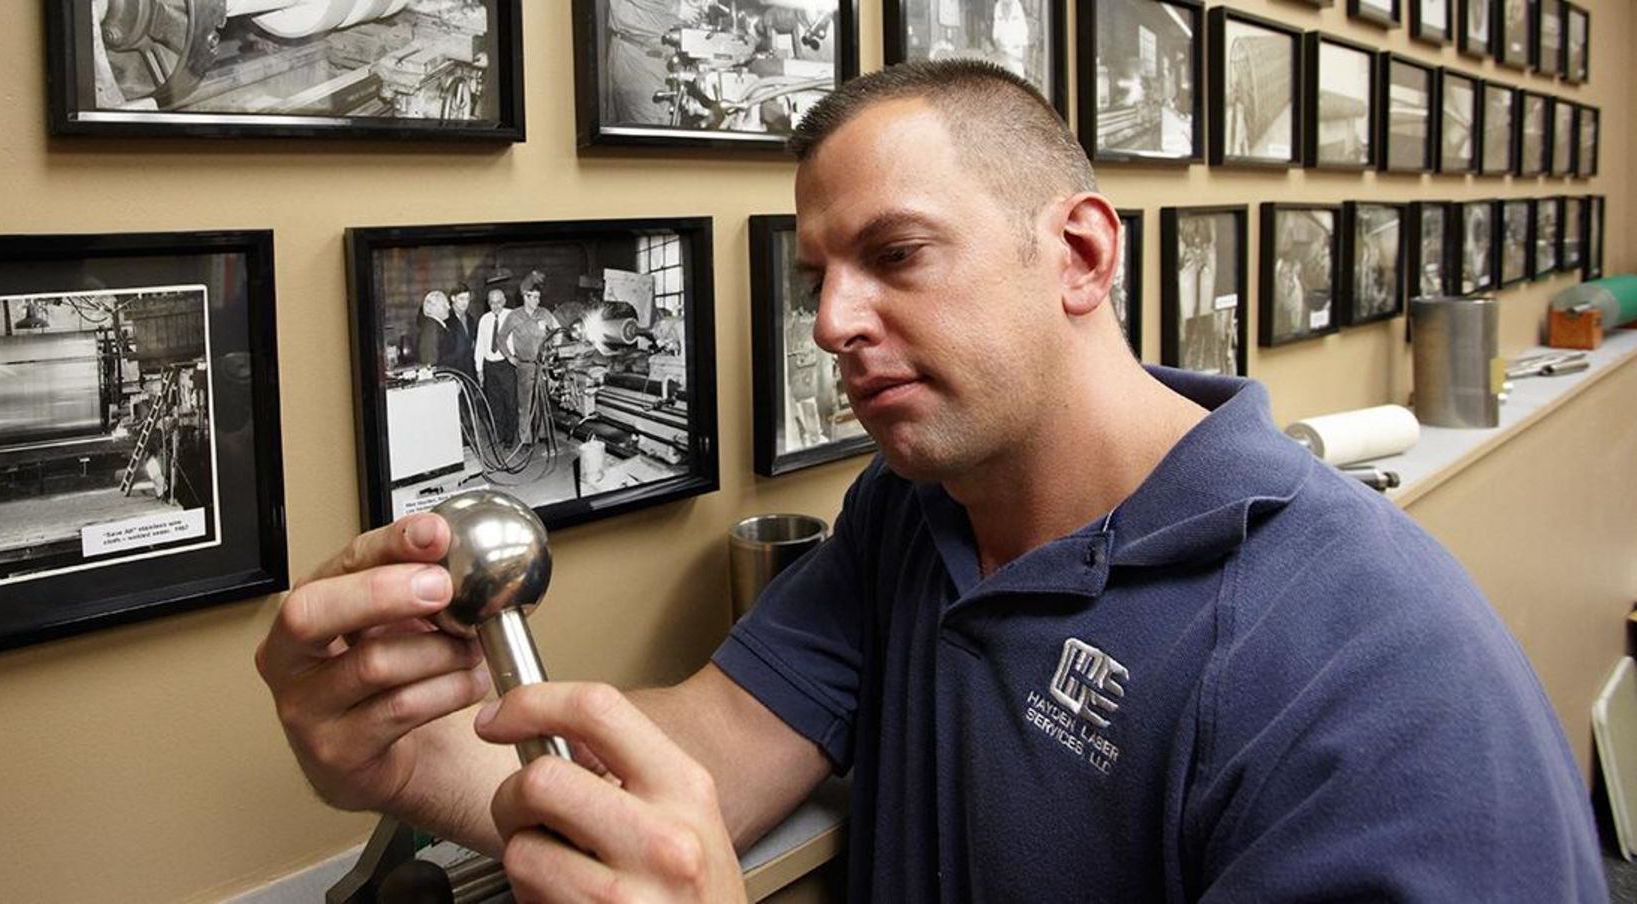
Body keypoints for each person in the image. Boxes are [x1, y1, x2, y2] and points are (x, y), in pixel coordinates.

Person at [258, 61, 1606, 902]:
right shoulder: (910, 517)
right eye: (818, 278)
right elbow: (705, 756)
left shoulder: (1371, 663)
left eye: (896, 256)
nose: (832, 322)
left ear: (1080, 254)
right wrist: (401, 753)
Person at [496, 272, 560, 447]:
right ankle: (525, 440)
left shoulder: (544, 313)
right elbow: (500, 338)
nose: (538, 301)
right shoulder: (514, 316)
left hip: (543, 366)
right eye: (534, 297)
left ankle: (543, 434)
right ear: (525, 297)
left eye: (539, 297)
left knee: (543, 402)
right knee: (525, 405)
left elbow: (558, 331)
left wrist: (553, 351)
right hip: (525, 367)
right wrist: (509, 356)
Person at [475, 287, 519, 447]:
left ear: (504, 301)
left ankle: (509, 438)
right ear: (488, 303)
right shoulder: (484, 320)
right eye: (492, 303)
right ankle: (498, 436)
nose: (496, 306)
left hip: (506, 365)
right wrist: (479, 369)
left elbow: (519, 341)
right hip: (490, 366)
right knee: (494, 404)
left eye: (499, 302)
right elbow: (480, 345)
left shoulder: (512, 316)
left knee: (510, 402)